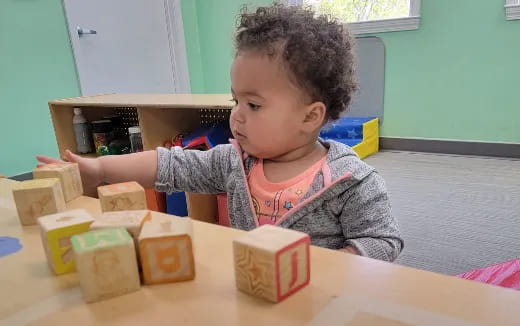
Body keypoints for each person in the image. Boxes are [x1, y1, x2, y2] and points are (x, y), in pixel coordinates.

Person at [38, 3, 403, 261]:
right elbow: (170, 166)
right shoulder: (234, 161)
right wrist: (101, 171)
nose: (237, 117)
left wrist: (332, 266)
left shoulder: (352, 181)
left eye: (254, 105)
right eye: (236, 101)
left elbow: (383, 240)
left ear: (310, 117)